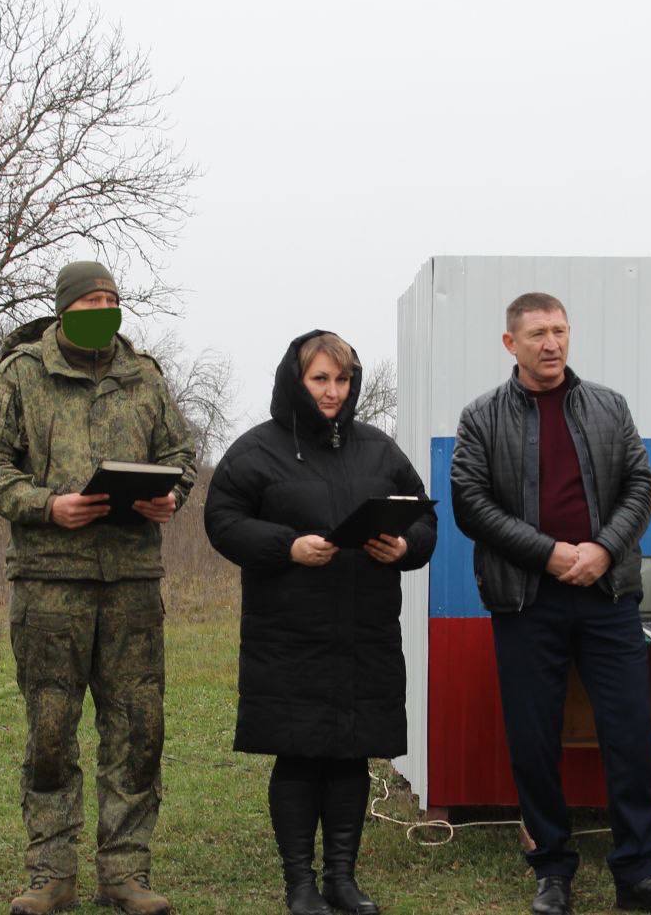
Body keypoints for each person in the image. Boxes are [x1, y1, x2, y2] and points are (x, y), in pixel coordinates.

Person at [449, 293, 651, 915]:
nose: (551, 343)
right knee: (534, 741)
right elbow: (469, 503)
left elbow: (641, 485)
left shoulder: (609, 406)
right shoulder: (481, 417)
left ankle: (637, 872)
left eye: (560, 331)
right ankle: (552, 869)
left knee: (630, 736)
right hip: (525, 600)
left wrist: (604, 549)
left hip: (608, 597)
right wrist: (550, 554)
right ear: (511, 343)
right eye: (537, 334)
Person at [0, 261, 196, 915]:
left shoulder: (144, 375)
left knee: (138, 729)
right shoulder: (21, 375)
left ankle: (125, 873)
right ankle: (50, 875)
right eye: (92, 300)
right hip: (50, 584)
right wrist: (46, 504)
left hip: (131, 583)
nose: (105, 309)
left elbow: (182, 452)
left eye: (113, 300)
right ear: (66, 309)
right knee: (50, 730)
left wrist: (171, 495)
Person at [203, 330, 437, 915]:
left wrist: (404, 547)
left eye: (343, 380)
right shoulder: (257, 451)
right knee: (299, 753)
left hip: (365, 631)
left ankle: (342, 879)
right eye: (321, 379)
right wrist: (287, 546)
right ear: (295, 381)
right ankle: (300, 885)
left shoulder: (379, 450)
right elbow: (223, 521)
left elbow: (423, 517)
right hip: (288, 633)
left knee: (351, 753)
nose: (334, 392)